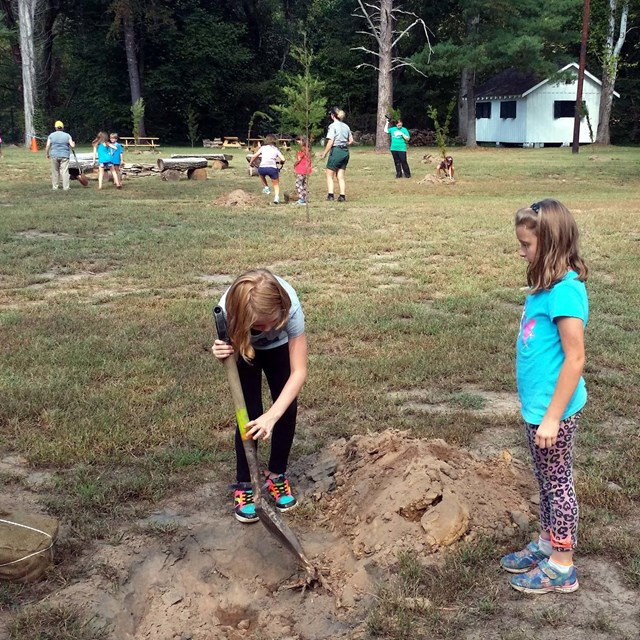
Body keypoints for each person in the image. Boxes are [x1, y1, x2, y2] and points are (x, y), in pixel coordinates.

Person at [501, 199, 588, 594]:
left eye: (527, 245)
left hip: (555, 412)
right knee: (544, 478)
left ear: (551, 245)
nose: (521, 252)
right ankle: (547, 542)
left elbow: (575, 358)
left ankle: (562, 567)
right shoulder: (544, 286)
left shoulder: (566, 293)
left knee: (558, 483)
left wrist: (553, 416)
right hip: (538, 409)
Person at [212, 269, 308, 524]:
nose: (266, 329)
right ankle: (246, 483)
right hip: (245, 346)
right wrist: (221, 350)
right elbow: (228, 351)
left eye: (271, 322)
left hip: (280, 348)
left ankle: (277, 474)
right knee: (249, 412)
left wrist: (273, 415)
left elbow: (299, 372)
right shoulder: (229, 311)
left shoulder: (292, 308)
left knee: (285, 407)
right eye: (259, 325)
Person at [320, 107, 353, 202]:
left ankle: (330, 195)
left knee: (329, 175)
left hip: (336, 151)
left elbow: (330, 141)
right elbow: (351, 141)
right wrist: (344, 144)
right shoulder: (346, 126)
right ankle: (342, 196)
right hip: (345, 152)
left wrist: (324, 153)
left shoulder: (332, 126)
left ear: (333, 116)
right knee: (340, 176)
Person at [248, 134, 286, 204]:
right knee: (276, 184)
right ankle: (276, 197)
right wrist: (281, 162)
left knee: (261, 174)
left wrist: (250, 163)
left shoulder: (263, 148)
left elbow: (254, 156)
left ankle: (266, 187)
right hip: (272, 168)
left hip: (263, 168)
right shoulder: (276, 149)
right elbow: (283, 159)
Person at [45, 120, 75, 191]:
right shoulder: (67, 135)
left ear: (55, 127)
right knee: (64, 171)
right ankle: (66, 187)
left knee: (55, 171)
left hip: (54, 155)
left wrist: (47, 154)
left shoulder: (51, 135)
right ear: (62, 127)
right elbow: (72, 145)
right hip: (65, 155)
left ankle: (55, 187)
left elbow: (47, 146)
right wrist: (73, 143)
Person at [293, 135, 312, 205]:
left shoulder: (301, 150)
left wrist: (295, 164)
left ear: (303, 141)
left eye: (299, 140)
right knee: (303, 184)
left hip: (301, 169)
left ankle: (301, 199)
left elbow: (299, 159)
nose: (297, 142)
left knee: (298, 184)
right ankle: (306, 198)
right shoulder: (308, 149)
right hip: (307, 169)